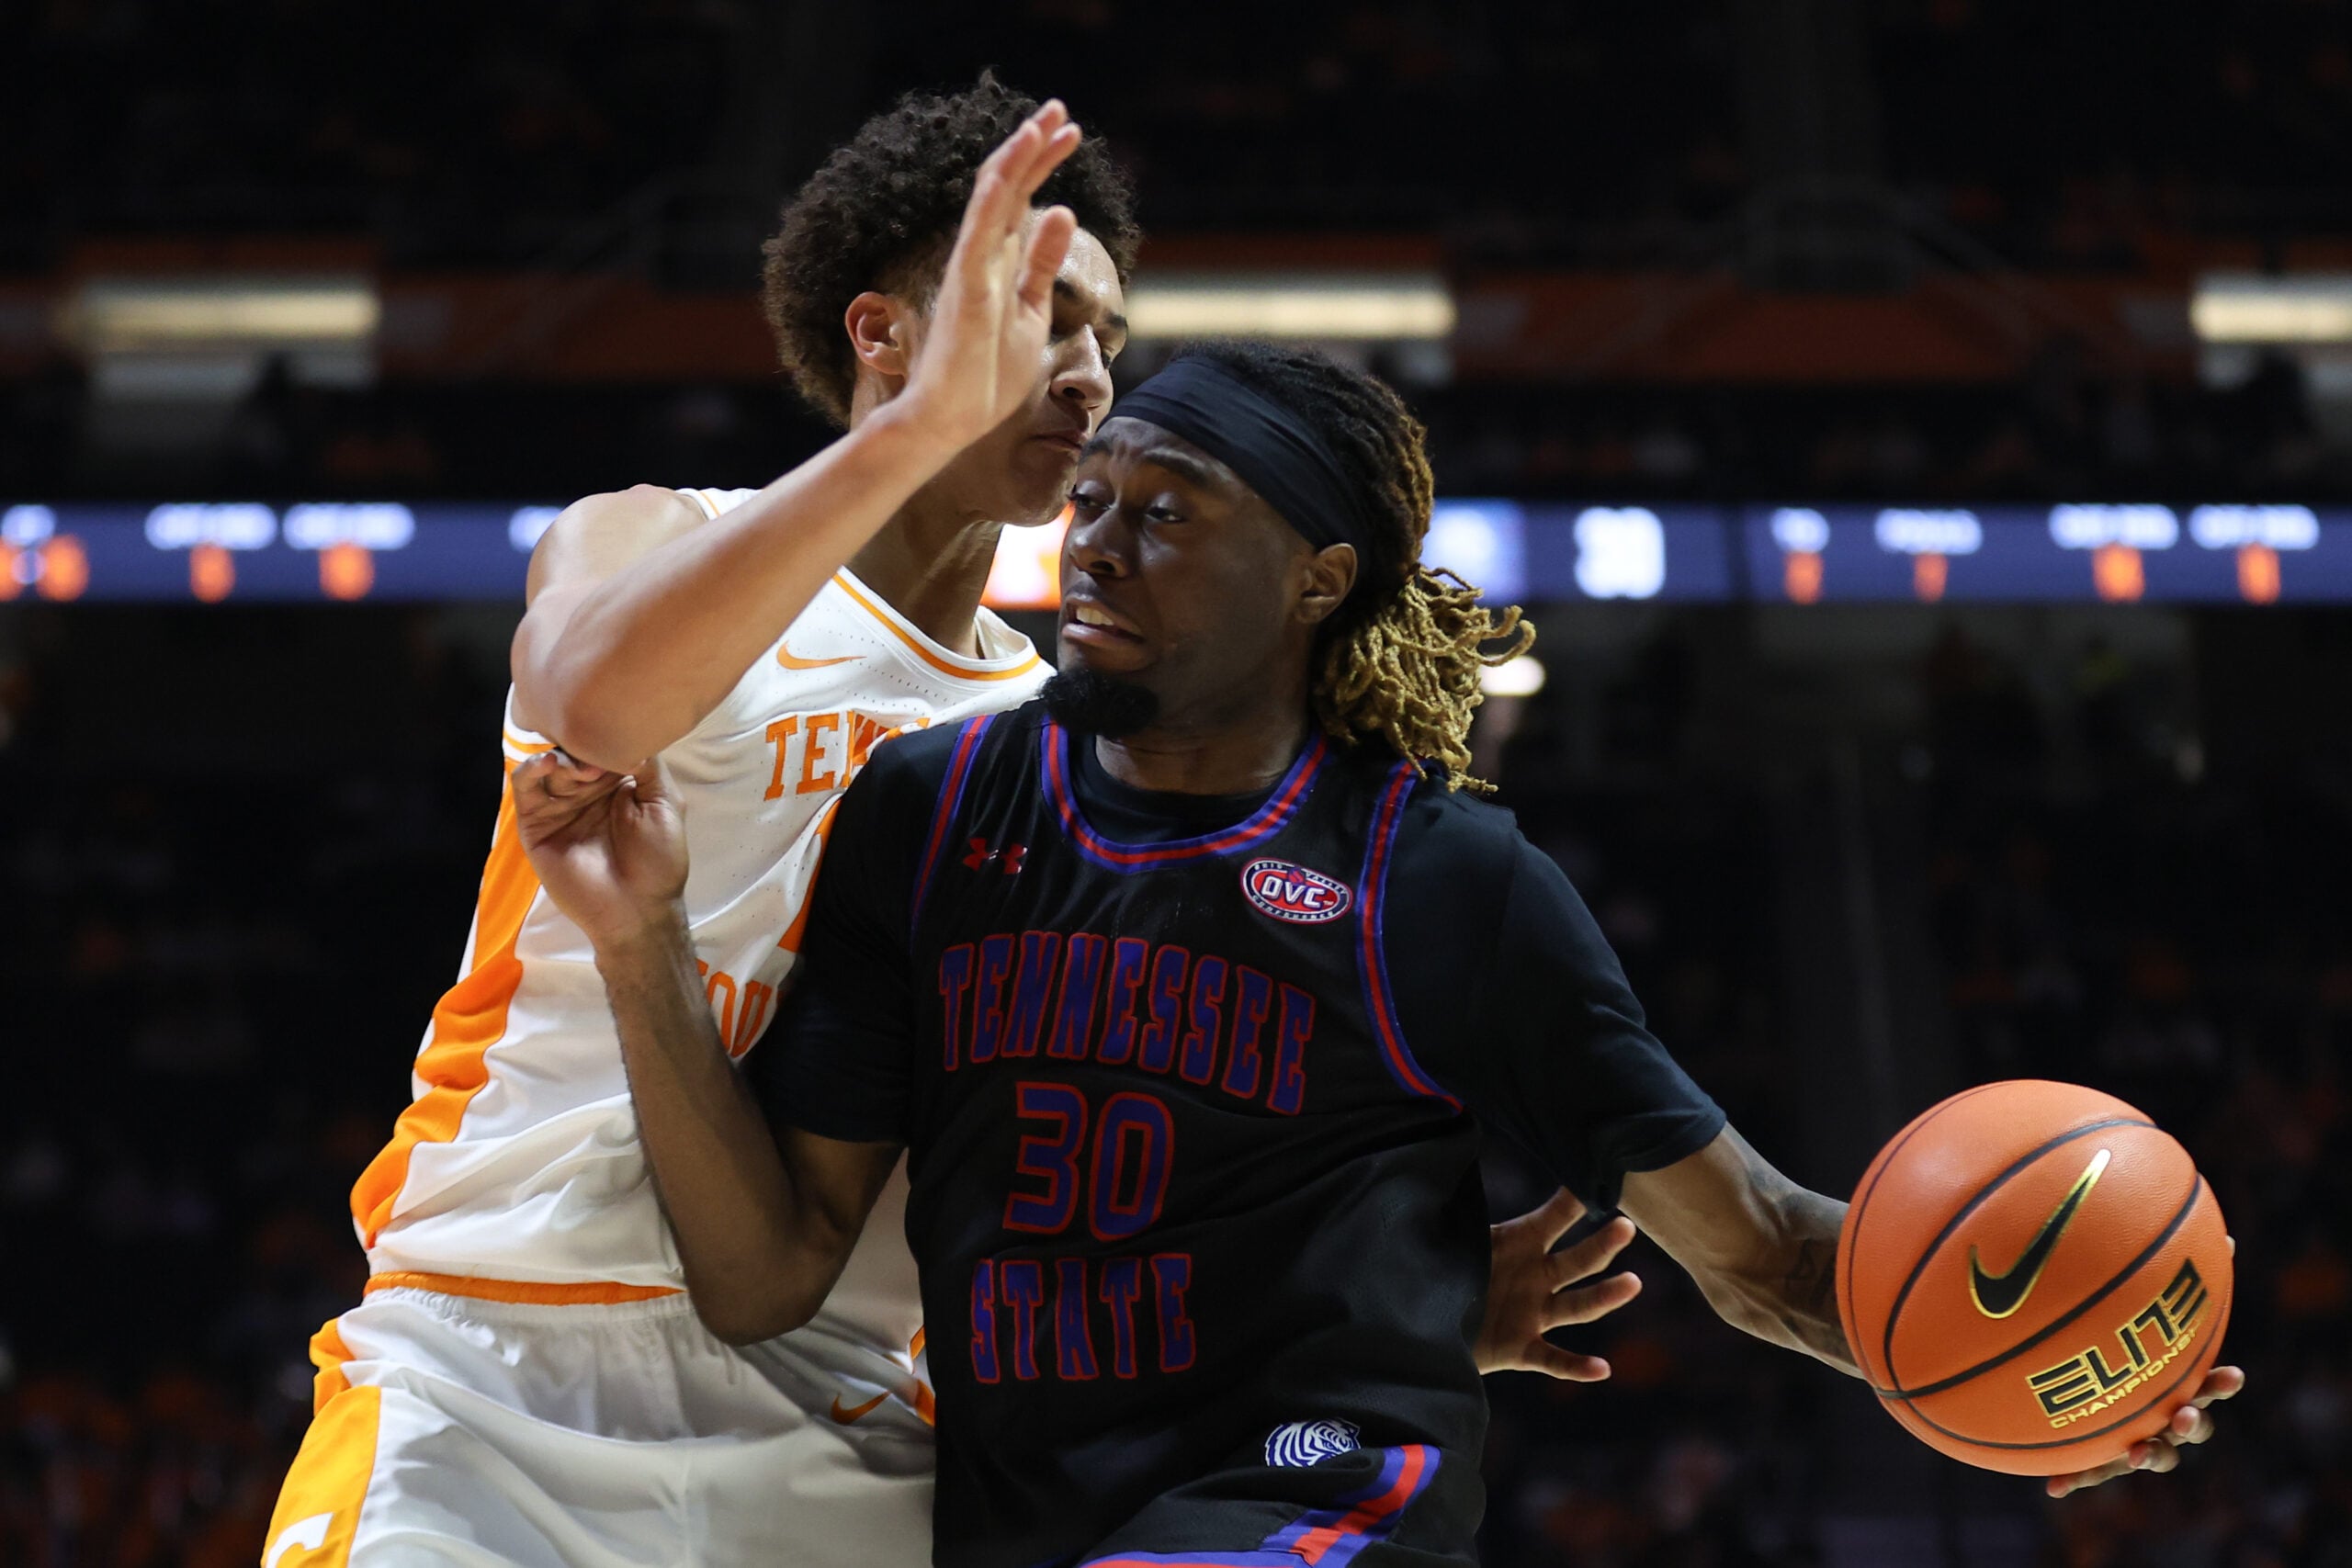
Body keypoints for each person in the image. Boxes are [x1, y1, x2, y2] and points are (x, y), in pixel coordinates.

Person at [519, 341, 2246, 1567]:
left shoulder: (1445, 883)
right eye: (1096, 502)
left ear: (1316, 577)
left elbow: (1774, 1254)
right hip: (1021, 1522)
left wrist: (2070, 1379)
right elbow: (768, 1273)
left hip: (1316, 1499)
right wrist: (643, 940)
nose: (1097, 545)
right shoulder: (933, 810)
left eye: (1169, 511)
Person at [261, 85, 1129, 1568]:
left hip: (849, 1420)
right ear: (882, 335)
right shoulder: (649, 529)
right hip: (490, 1357)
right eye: (1043, 316)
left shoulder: (1064, 739)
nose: (1090, 378)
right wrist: (918, 438)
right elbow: (591, 699)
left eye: (1113, 341)